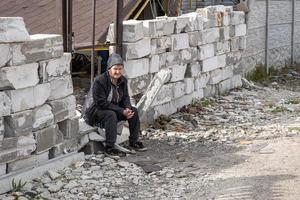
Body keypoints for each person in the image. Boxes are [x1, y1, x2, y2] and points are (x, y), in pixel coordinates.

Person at [85, 53, 147, 157]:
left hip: (113, 108)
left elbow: (126, 97)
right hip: (95, 110)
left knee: (134, 111)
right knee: (111, 115)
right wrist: (121, 111)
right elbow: (101, 103)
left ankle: (134, 141)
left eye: (120, 69)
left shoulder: (123, 80)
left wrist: (127, 108)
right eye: (115, 69)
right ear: (109, 69)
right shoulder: (100, 81)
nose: (118, 72)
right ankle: (110, 147)